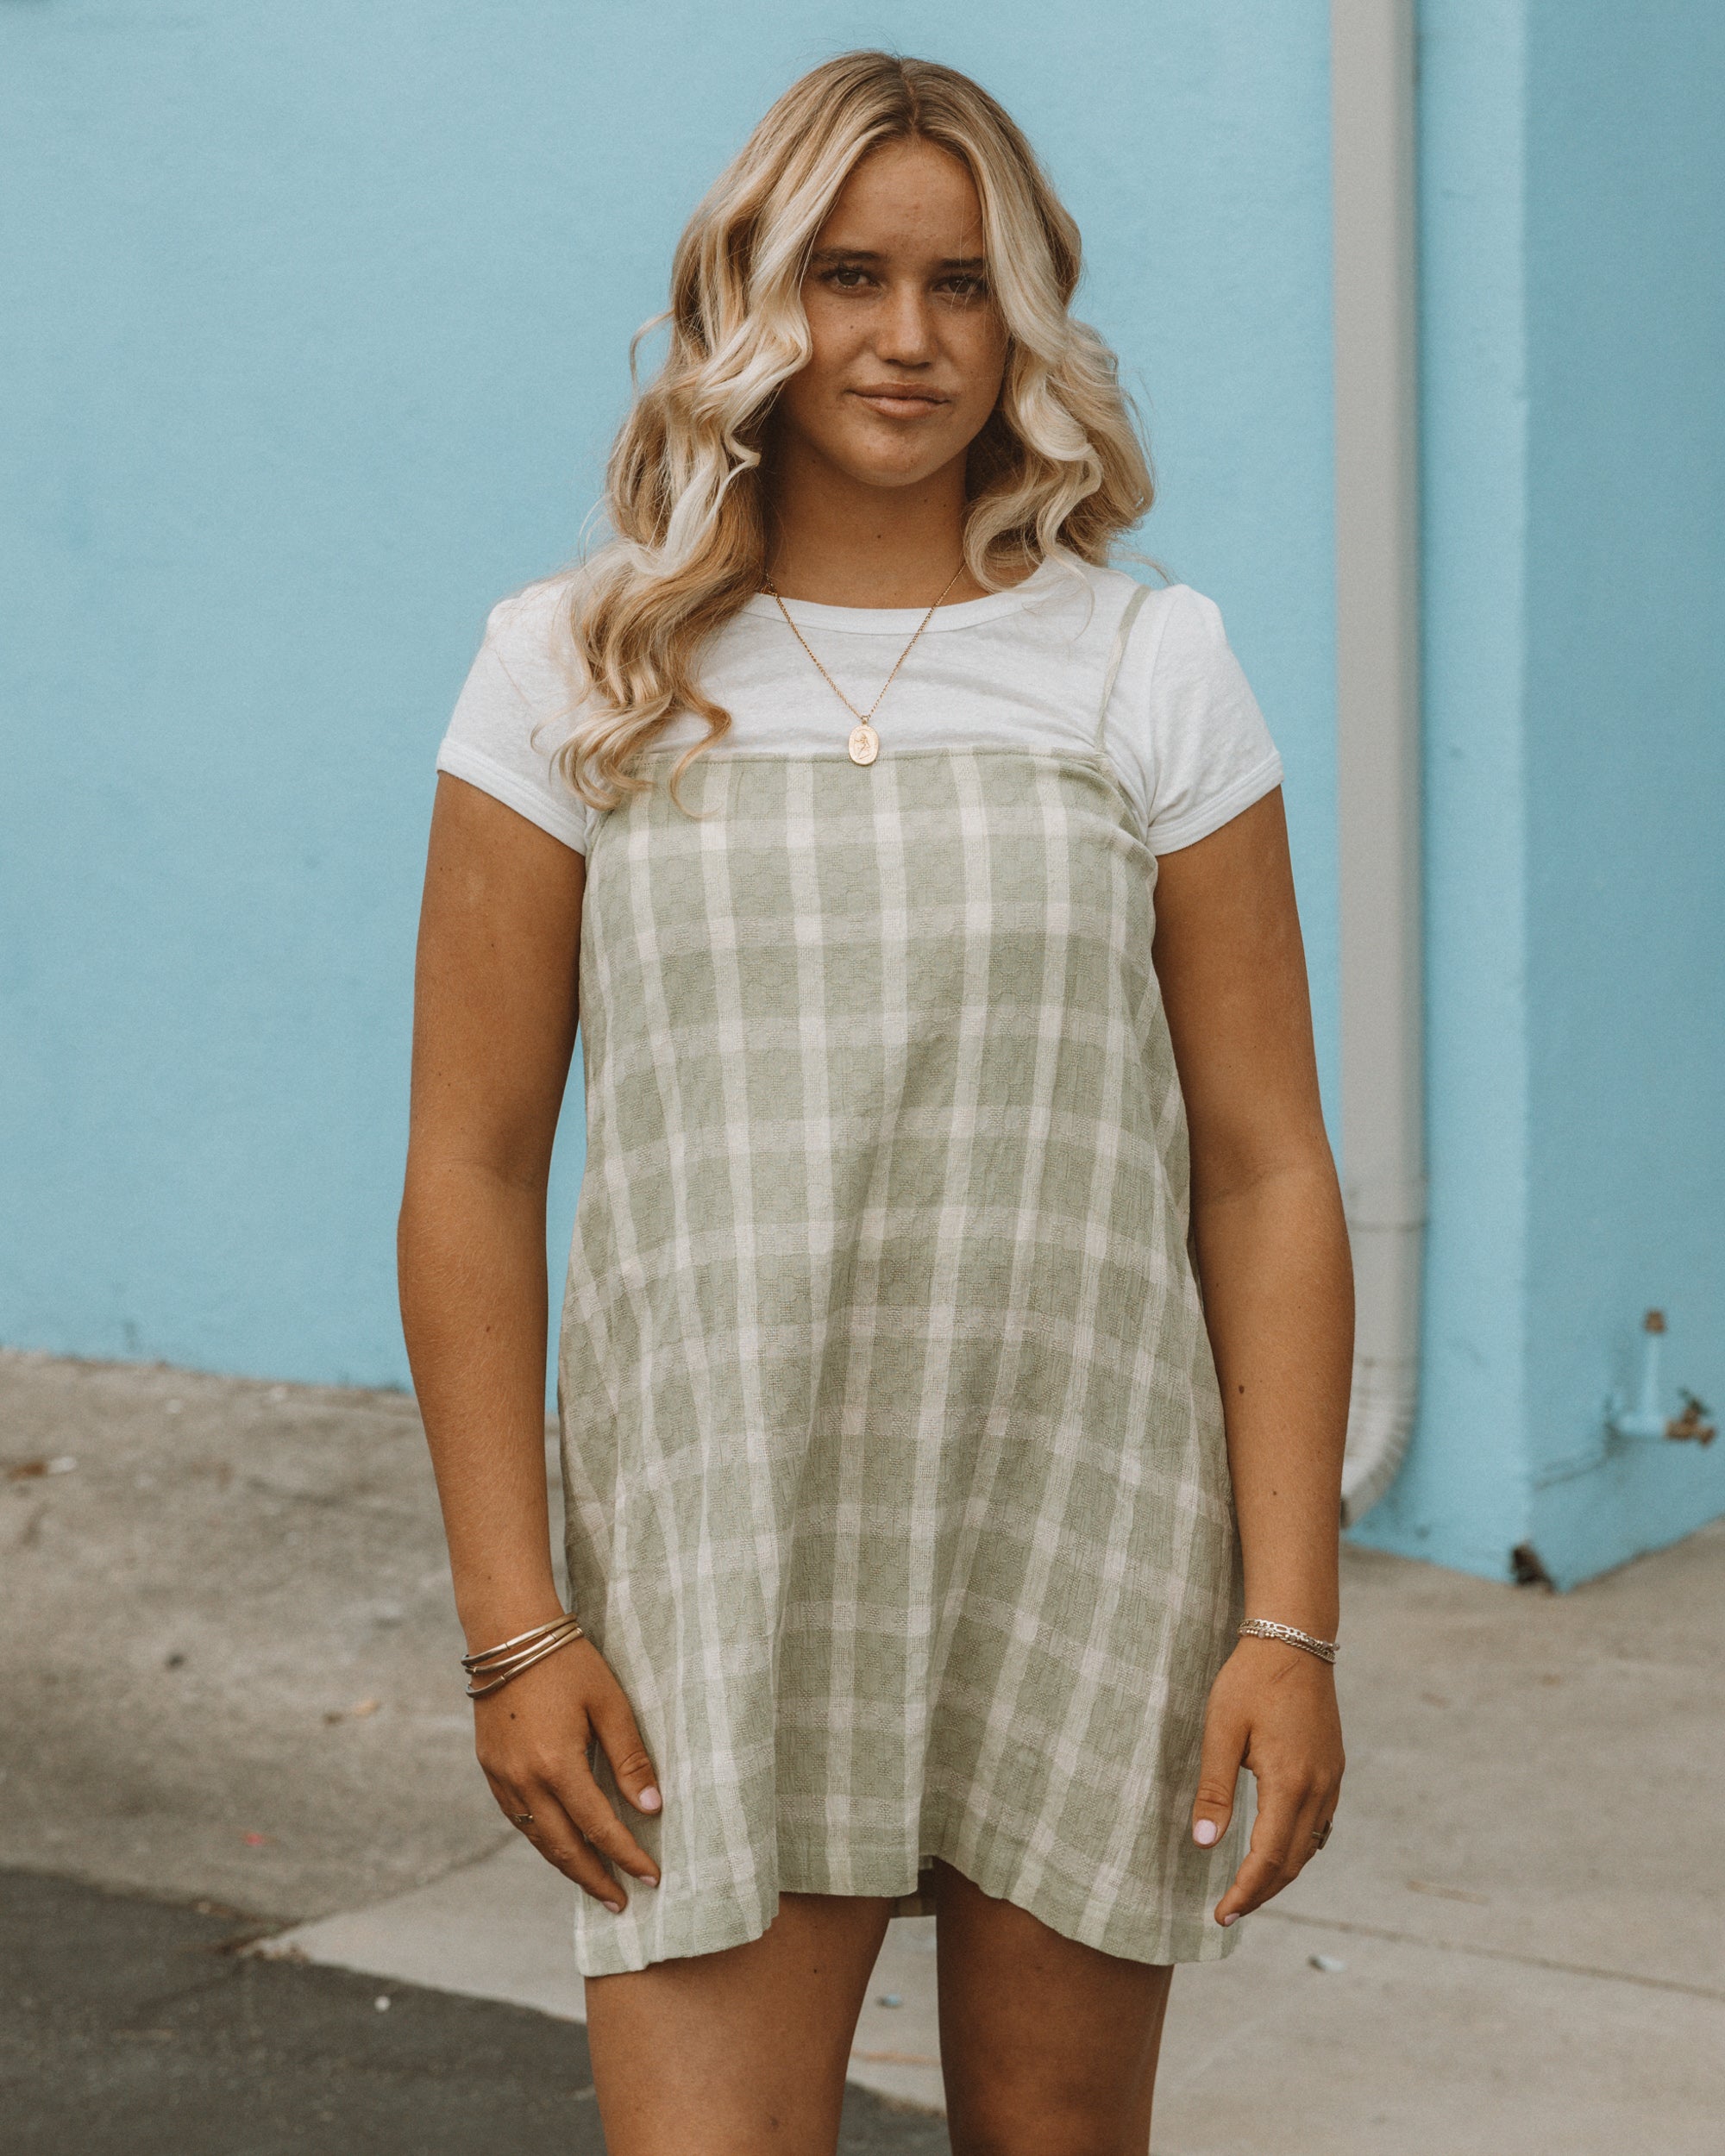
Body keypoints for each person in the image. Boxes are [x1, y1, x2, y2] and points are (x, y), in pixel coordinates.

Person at [399, 49, 1351, 2156]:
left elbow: (1269, 1167)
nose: (905, 337)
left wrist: (1285, 1620)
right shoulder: (571, 669)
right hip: (711, 1548)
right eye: (846, 276)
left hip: (1076, 1526)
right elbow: (468, 1163)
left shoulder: (1144, 664)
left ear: (1025, 321)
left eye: (959, 282)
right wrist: (510, 1625)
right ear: (753, 295)